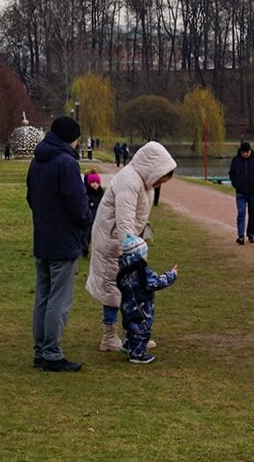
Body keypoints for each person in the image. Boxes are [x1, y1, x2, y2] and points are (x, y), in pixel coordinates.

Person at [85, 141, 176, 354]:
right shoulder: (129, 180)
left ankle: (131, 334)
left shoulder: (144, 183)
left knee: (130, 291)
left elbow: (138, 218)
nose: (161, 183)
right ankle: (109, 336)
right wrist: (132, 251)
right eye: (161, 178)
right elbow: (124, 220)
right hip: (113, 243)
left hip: (127, 243)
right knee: (112, 290)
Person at [27, 116, 92, 372]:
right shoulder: (67, 163)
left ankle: (40, 350)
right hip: (64, 240)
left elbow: (31, 197)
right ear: (71, 139)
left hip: (43, 237)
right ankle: (52, 353)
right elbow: (78, 204)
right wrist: (85, 222)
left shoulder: (37, 161)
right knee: (59, 299)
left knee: (43, 296)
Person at [116, 233, 178, 364]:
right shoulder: (141, 272)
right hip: (141, 308)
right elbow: (156, 283)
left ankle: (128, 345)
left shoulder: (123, 270)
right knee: (141, 329)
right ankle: (137, 354)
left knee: (130, 326)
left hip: (127, 306)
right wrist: (171, 275)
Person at [228, 141, 254, 245]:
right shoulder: (236, 160)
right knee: (241, 213)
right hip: (240, 192)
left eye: (247, 152)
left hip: (253, 192)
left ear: (250, 151)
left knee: (252, 213)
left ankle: (251, 235)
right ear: (241, 151)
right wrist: (236, 184)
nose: (245, 154)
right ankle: (240, 236)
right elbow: (232, 174)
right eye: (243, 152)